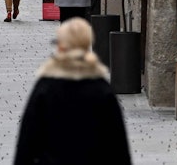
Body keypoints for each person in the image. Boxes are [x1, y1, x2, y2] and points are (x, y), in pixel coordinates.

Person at [13, 18, 131, 165]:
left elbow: (26, 142)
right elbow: (119, 147)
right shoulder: (102, 90)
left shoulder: (46, 87)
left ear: (61, 47)